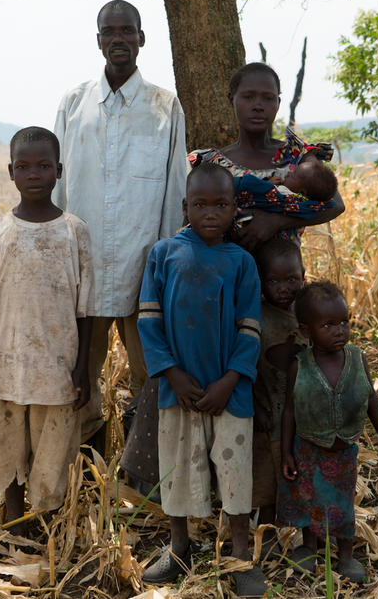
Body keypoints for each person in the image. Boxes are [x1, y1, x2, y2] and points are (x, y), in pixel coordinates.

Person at [53, 0, 189, 454]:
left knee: (151, 376)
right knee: (77, 377)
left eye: (127, 31)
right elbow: (59, 189)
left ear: (141, 38)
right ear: (98, 41)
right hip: (83, 272)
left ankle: (140, 469)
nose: (118, 40)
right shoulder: (74, 104)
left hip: (143, 272)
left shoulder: (164, 106)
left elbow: (174, 192)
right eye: (109, 32)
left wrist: (166, 267)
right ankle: (87, 472)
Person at [138, 164, 268, 597]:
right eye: (200, 204)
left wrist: (230, 380)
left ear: (234, 209)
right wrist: (172, 374)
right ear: (185, 206)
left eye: (220, 204)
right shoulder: (164, 254)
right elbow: (149, 322)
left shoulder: (242, 262)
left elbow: (251, 328)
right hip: (179, 391)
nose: (210, 212)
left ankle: (239, 555)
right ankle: (178, 548)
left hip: (230, 393)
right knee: (175, 470)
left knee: (235, 474)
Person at [0, 127, 93, 532]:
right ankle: (14, 520)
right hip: (5, 363)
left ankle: (49, 521)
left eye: (42, 166)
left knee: (53, 447)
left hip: (57, 365)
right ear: (10, 172)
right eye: (23, 166)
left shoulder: (74, 231)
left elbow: (85, 311)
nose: (33, 173)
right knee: (7, 445)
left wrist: (82, 369)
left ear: (58, 170)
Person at [279, 281, 378, 582]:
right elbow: (290, 410)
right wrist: (286, 453)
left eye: (344, 322)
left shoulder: (356, 358)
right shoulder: (300, 366)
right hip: (307, 447)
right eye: (328, 325)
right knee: (309, 499)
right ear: (307, 331)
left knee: (342, 504)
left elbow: (370, 396)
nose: (339, 331)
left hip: (342, 451)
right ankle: (309, 547)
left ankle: (345, 555)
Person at [188, 63, 345, 251]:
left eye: (268, 98)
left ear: (278, 103)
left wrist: (276, 222)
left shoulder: (297, 158)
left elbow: (336, 205)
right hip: (223, 276)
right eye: (248, 97)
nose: (258, 106)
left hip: (283, 277)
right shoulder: (208, 164)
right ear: (231, 100)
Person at [250, 238, 308, 557]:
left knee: (303, 471)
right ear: (261, 282)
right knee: (266, 478)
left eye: (291, 280)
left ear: (303, 275)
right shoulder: (256, 315)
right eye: (274, 281)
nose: (283, 288)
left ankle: (307, 535)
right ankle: (268, 532)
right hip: (267, 409)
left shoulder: (308, 314)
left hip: (301, 414)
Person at [232, 157, 337, 229]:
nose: (288, 173)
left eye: (293, 175)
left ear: (301, 192)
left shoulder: (284, 194)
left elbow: (252, 187)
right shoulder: (311, 207)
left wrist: (267, 184)